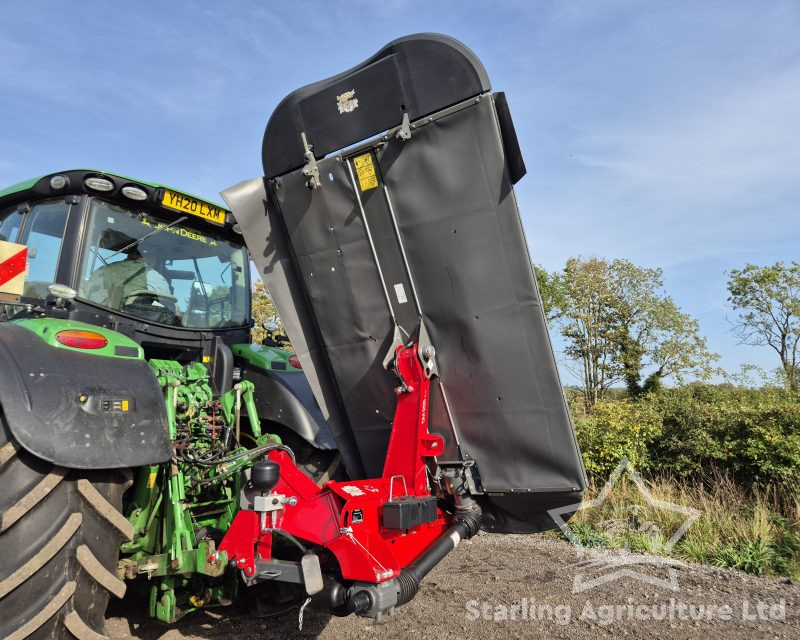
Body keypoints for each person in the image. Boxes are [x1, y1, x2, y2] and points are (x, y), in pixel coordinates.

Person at [84, 246, 172, 308]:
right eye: (155, 258)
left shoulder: (102, 270)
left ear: (129, 254)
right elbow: (166, 306)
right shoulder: (153, 275)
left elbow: (85, 292)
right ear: (150, 258)